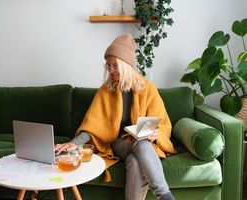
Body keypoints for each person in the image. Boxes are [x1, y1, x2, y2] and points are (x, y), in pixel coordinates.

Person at [55, 34, 176, 200]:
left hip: (143, 145)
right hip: (118, 144)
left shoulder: (148, 88)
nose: (111, 70)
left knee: (135, 161)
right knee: (141, 145)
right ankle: (165, 196)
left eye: (116, 66)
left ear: (127, 66)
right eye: (109, 66)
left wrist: (155, 133)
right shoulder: (105, 91)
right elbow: (93, 126)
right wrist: (73, 143)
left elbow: (161, 123)